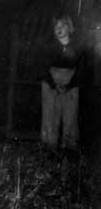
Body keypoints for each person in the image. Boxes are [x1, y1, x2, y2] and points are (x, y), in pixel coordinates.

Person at [39, 14, 83, 152]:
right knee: (50, 115)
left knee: (70, 116)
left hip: (71, 85)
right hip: (51, 84)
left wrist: (69, 84)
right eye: (56, 26)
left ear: (69, 28)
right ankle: (49, 147)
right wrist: (54, 84)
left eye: (62, 26)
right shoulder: (49, 46)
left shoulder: (77, 47)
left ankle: (68, 148)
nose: (58, 29)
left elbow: (82, 68)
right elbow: (43, 67)